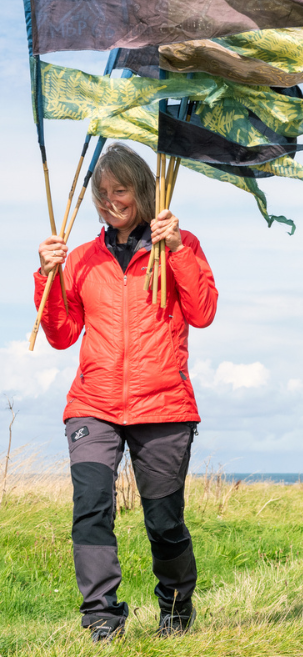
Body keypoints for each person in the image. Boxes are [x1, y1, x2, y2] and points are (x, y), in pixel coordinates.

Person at [33, 143, 218, 642]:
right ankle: (101, 621)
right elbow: (60, 333)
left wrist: (177, 249)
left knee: (164, 520)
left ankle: (176, 610)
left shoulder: (181, 246)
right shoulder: (80, 259)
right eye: (103, 193)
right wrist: (46, 277)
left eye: (122, 191)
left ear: (142, 189)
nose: (111, 201)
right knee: (91, 507)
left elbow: (202, 312)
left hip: (163, 405)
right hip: (92, 405)